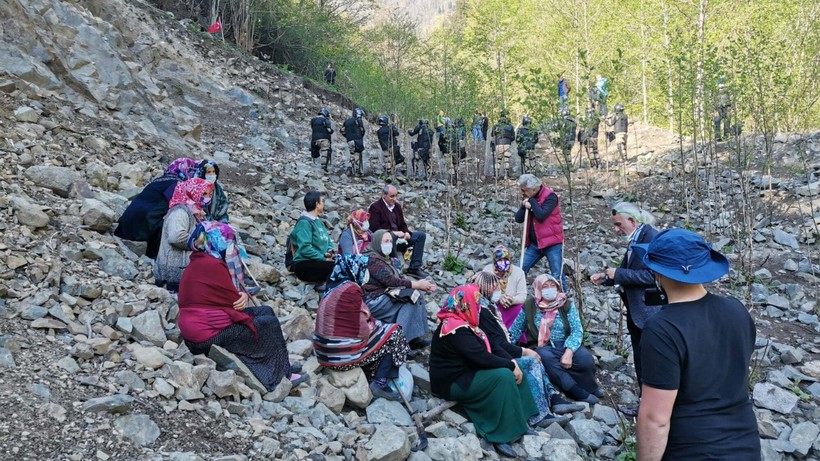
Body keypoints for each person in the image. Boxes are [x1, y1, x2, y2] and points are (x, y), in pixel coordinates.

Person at [634, 229, 760, 460]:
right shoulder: (736, 309)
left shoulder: (662, 328)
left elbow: (656, 420)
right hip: (745, 445)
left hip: (692, 449)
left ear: (656, 272)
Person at [179, 221, 305, 392]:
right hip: (206, 336)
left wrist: (243, 297)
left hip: (196, 329)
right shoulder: (213, 265)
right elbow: (235, 302)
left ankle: (283, 364)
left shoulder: (200, 259)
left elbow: (226, 298)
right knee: (266, 324)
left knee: (265, 311)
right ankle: (278, 378)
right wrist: (244, 295)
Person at [429, 284, 537, 458]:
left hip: (467, 372)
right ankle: (499, 434)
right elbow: (481, 357)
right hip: (453, 382)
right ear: (465, 303)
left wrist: (512, 362)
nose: (478, 305)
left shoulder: (466, 322)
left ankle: (521, 422)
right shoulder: (454, 328)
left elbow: (492, 348)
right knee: (503, 376)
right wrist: (509, 365)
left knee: (517, 367)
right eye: (475, 301)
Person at [472, 272, 580, 423]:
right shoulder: (482, 311)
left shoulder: (488, 306)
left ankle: (553, 399)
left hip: (501, 349)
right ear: (485, 289)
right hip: (493, 354)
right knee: (533, 361)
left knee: (538, 359)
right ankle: (539, 415)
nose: (499, 291)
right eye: (495, 287)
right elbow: (499, 342)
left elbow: (505, 337)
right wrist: (522, 351)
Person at [591, 202, 660, 417]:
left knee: (651, 362)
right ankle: (647, 405)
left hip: (650, 313)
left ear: (633, 221)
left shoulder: (650, 237)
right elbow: (628, 271)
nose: (616, 229)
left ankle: (654, 409)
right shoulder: (636, 238)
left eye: (619, 224)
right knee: (641, 359)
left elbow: (650, 276)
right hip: (638, 312)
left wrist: (618, 274)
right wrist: (607, 278)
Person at [313, 255, 410, 401]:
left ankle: (370, 370)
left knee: (382, 330)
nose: (366, 274)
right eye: (364, 270)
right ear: (354, 270)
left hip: (323, 352)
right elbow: (362, 332)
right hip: (338, 356)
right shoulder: (351, 290)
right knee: (394, 332)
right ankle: (380, 383)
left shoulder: (334, 286)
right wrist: (374, 326)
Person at [509, 275, 602, 405]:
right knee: (544, 357)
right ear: (538, 289)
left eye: (553, 286)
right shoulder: (530, 306)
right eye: (545, 286)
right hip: (543, 346)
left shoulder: (565, 304)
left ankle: (590, 386)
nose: (550, 289)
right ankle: (574, 390)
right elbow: (515, 330)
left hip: (565, 343)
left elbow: (577, 330)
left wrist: (569, 352)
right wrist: (504, 347)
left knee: (585, 358)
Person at [362, 230, 436, 349]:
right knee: (409, 300)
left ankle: (413, 338)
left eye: (391, 241)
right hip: (373, 301)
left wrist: (421, 285)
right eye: (385, 241)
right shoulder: (372, 259)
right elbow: (391, 281)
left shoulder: (384, 258)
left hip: (385, 294)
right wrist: (417, 284)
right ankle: (400, 344)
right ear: (377, 242)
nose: (389, 244)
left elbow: (398, 277)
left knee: (415, 295)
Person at [115, 157, 197, 259]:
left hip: (127, 222)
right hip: (142, 226)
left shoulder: (159, 180)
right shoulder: (177, 184)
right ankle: (156, 258)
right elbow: (178, 203)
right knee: (172, 224)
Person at [154, 178, 214, 291]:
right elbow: (176, 237)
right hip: (173, 272)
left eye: (209, 194)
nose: (208, 198)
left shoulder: (196, 211)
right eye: (204, 193)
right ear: (192, 191)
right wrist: (201, 242)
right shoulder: (180, 212)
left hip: (184, 270)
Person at [515, 174, 567, 291]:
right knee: (519, 269)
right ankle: (517, 296)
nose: (522, 192)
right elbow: (518, 219)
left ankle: (564, 301)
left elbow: (541, 215)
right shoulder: (528, 197)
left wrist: (532, 201)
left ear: (533, 189)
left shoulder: (551, 197)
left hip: (552, 243)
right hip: (535, 244)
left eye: (524, 190)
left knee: (557, 274)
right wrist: (524, 206)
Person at [368, 185, 429, 278]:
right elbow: (375, 229)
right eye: (392, 196)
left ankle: (414, 268)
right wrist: (393, 233)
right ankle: (396, 269)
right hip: (385, 240)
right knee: (391, 237)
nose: (394, 199)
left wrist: (407, 233)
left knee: (421, 236)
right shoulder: (375, 207)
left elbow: (402, 224)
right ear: (384, 195)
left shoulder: (397, 206)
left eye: (396, 196)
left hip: (400, 238)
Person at [289, 191, 335, 284]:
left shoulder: (318, 222)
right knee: (340, 268)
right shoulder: (304, 223)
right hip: (304, 264)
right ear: (317, 204)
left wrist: (329, 252)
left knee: (345, 264)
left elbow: (327, 240)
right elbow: (305, 248)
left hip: (319, 260)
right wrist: (323, 258)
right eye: (322, 201)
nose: (323, 203)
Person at [482, 245, 527, 332]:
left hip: (511, 305)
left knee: (521, 310)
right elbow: (483, 292)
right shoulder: (487, 270)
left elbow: (523, 295)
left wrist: (511, 300)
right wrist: (499, 298)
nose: (503, 262)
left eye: (505, 259)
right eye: (499, 260)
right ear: (494, 260)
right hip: (493, 304)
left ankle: (514, 336)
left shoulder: (519, 272)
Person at [342, 108, 366, 175]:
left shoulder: (346, 121)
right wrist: (360, 136)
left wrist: (347, 137)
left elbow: (342, 130)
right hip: (357, 140)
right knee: (357, 154)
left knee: (352, 154)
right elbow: (362, 130)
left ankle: (350, 169)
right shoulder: (358, 120)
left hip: (350, 141)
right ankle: (358, 171)